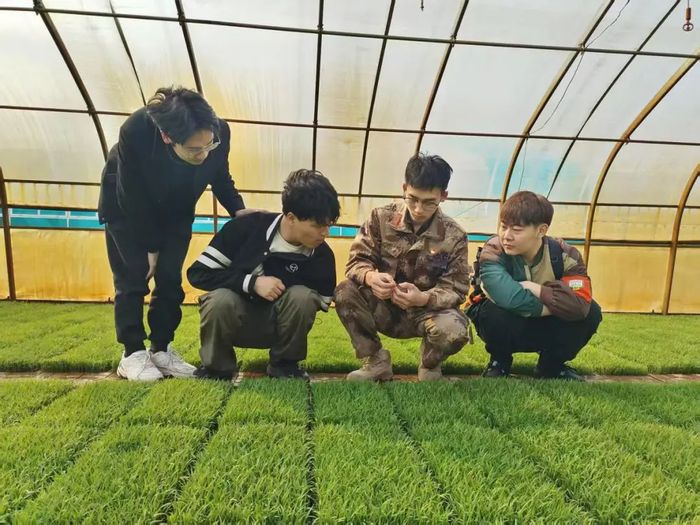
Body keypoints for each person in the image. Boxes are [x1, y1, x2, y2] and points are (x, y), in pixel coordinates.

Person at [98, 86, 251, 381]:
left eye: (209, 145)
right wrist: (150, 247)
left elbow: (219, 174)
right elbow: (130, 195)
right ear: (168, 137)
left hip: (177, 208)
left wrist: (238, 210)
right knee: (134, 276)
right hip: (127, 208)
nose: (204, 153)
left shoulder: (219, 131)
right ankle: (132, 353)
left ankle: (161, 349)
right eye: (194, 150)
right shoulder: (136, 130)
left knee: (169, 277)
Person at [187, 169, 340, 380]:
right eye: (317, 225)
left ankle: (285, 366)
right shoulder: (245, 227)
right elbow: (198, 273)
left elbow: (320, 301)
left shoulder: (322, 255)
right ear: (291, 217)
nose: (325, 233)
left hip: (277, 327)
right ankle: (217, 368)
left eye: (329, 225)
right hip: (234, 321)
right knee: (219, 300)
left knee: (303, 297)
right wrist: (251, 283)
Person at [334, 153, 471, 382]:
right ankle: (376, 362)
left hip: (426, 312)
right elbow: (356, 262)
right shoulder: (380, 218)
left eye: (429, 202)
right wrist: (371, 278)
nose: (418, 208)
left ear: (443, 196)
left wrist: (424, 298)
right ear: (404, 188)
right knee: (344, 291)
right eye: (412, 198)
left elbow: (457, 288)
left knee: (455, 330)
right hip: (383, 307)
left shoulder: (454, 235)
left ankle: (430, 365)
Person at [466, 191, 602, 381]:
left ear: (541, 230)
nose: (506, 236)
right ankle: (499, 362)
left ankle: (551, 367)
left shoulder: (567, 255)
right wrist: (556, 305)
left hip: (547, 325)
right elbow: (509, 298)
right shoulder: (493, 249)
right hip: (509, 320)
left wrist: (536, 288)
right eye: (503, 227)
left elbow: (580, 306)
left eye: (517, 230)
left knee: (592, 312)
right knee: (492, 310)